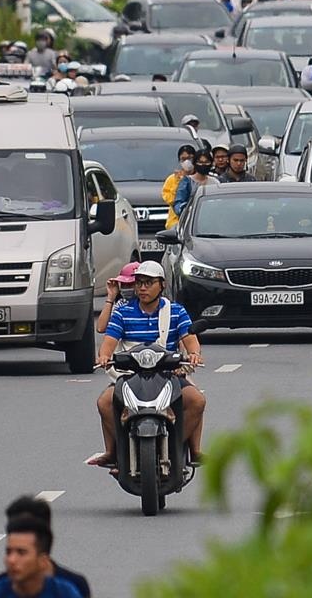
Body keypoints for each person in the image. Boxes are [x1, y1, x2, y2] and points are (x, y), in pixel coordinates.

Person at [88, 261, 204, 472]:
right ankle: (116, 452)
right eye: (139, 283)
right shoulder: (123, 313)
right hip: (131, 376)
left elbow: (190, 340)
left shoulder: (175, 311)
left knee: (197, 400)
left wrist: (194, 355)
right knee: (104, 402)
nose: (142, 288)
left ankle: (187, 449)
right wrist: (103, 357)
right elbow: (108, 342)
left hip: (168, 375)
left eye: (149, 283)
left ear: (162, 285)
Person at [0, 509, 87, 598]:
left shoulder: (64, 593)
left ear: (43, 561)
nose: (11, 560)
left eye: (21, 553)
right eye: (8, 552)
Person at [159, 143, 197, 231]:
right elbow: (170, 199)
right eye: (183, 159)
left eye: (189, 158)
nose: (186, 161)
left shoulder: (199, 177)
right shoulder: (172, 179)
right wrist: (178, 182)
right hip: (176, 221)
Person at [96, 261, 140, 335]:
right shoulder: (121, 305)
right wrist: (111, 297)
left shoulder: (154, 305)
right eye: (124, 285)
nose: (126, 288)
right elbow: (101, 328)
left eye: (130, 285)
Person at [171, 151, 215, 223]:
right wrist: (186, 211)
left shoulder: (215, 182)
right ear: (194, 163)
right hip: (191, 221)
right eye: (200, 162)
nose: (203, 165)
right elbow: (178, 203)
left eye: (206, 162)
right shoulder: (187, 182)